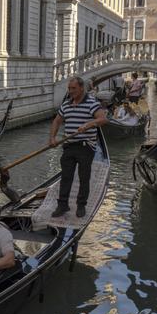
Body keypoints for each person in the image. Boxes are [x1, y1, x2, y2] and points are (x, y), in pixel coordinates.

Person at [49, 76, 107, 219]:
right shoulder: (66, 105)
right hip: (69, 145)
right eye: (69, 88)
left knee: (83, 177)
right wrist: (52, 138)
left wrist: (88, 125)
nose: (71, 91)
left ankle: (81, 206)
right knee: (66, 176)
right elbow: (56, 121)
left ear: (81, 88)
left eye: (73, 88)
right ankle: (63, 205)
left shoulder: (91, 103)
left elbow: (103, 119)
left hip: (85, 146)